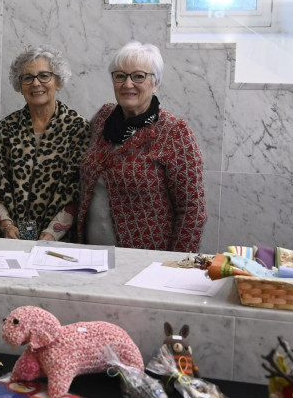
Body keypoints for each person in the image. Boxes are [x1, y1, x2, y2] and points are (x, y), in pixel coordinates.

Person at [78, 41, 206, 252]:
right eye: (120, 76)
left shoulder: (174, 132)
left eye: (138, 76)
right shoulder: (102, 119)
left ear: (155, 83)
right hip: (90, 256)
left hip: (145, 262)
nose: (128, 84)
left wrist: (173, 266)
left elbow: (192, 211)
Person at [0, 46, 89, 242]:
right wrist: (6, 225)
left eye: (44, 76)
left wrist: (52, 233)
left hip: (61, 240)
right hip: (10, 238)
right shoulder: (7, 128)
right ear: (20, 85)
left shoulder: (78, 128)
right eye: (27, 78)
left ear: (57, 81)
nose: (36, 83)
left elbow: (79, 191)